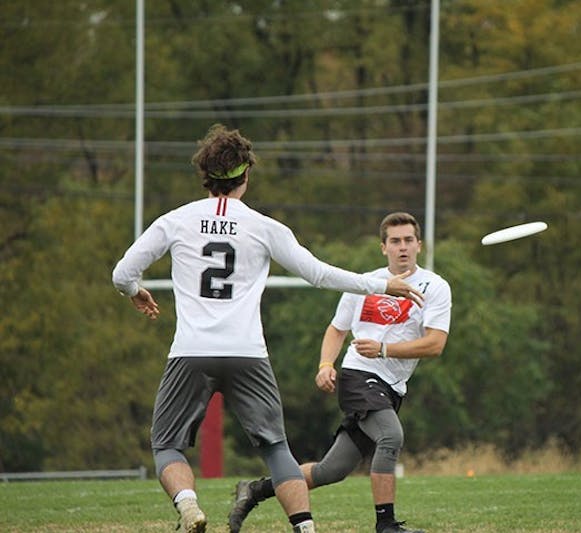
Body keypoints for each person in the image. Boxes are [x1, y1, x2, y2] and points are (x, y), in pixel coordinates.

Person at [111, 125, 423, 533]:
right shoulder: (263, 227)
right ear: (246, 176)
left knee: (166, 445)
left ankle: (188, 505)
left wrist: (135, 291)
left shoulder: (175, 221)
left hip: (190, 351)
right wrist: (383, 283)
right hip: (248, 353)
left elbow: (122, 274)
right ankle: (305, 528)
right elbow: (318, 274)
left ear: (204, 176)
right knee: (276, 447)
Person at [228, 212, 451, 533]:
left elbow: (435, 344)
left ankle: (255, 489)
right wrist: (325, 364)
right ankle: (386, 525)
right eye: (394, 241)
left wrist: (385, 349)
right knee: (391, 436)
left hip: (391, 386)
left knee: (331, 471)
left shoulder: (435, 286)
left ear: (419, 245)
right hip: (358, 376)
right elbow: (336, 329)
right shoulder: (367, 283)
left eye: (408, 240)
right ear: (383, 247)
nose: (402, 247)